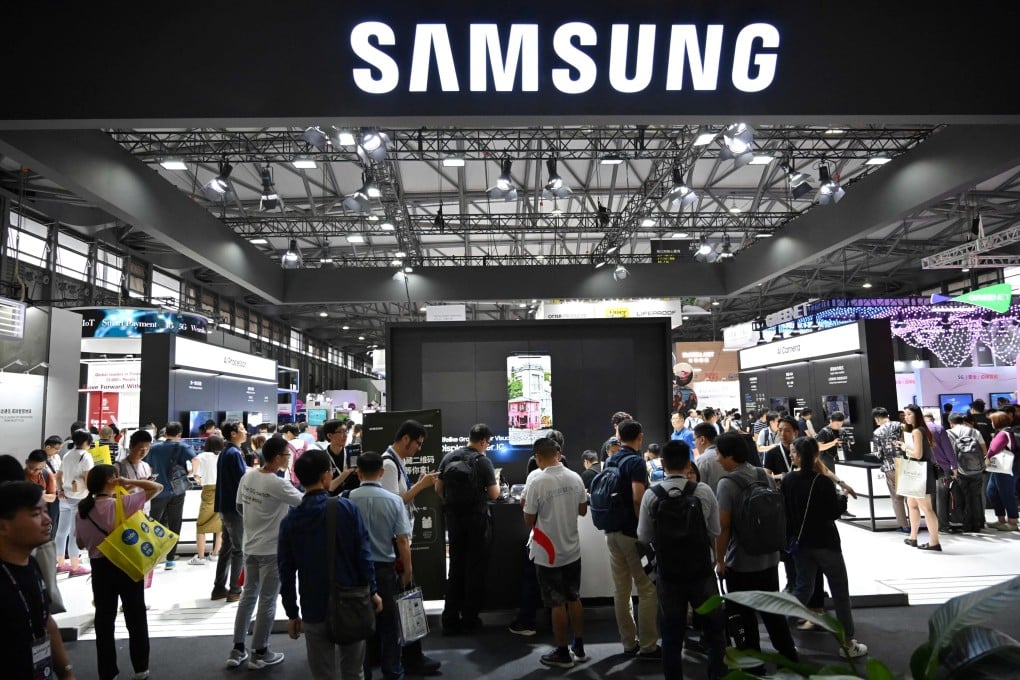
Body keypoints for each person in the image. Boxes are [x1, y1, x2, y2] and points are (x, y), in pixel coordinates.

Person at [279, 449, 381, 680]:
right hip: (351, 602)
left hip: (313, 606)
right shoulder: (346, 509)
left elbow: (285, 571)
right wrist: (372, 591)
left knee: (322, 673)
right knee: (353, 671)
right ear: (326, 476)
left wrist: (292, 612)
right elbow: (364, 556)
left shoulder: (290, 521)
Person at [637, 440, 724, 679]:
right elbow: (715, 530)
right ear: (689, 463)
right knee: (714, 631)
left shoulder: (651, 495)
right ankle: (715, 674)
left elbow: (643, 536)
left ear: (662, 463)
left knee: (672, 635)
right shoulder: (703, 491)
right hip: (702, 571)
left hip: (669, 573)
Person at [714, 431, 799, 665]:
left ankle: (754, 663)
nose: (717, 459)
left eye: (719, 454)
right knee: (773, 612)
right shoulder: (763, 474)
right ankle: (789, 656)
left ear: (730, 456)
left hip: (741, 561)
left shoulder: (727, 484)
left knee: (745, 614)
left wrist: (720, 560)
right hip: (770, 557)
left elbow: (724, 526)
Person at [782, 438, 868, 659]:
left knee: (803, 588)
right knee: (839, 592)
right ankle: (848, 643)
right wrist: (843, 499)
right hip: (826, 543)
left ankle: (780, 627)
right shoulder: (822, 482)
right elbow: (833, 513)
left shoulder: (788, 480)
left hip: (800, 544)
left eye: (794, 452)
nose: (791, 455)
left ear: (802, 456)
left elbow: (786, 513)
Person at [76, 465, 163, 680]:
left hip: (99, 569)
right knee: (136, 617)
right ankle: (141, 669)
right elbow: (157, 487)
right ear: (111, 480)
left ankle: (107, 672)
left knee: (104, 621)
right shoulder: (123, 504)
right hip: (126, 564)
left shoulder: (82, 510)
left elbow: (79, 543)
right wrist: (129, 482)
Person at [227, 436, 304, 669]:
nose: (288, 459)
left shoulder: (248, 476)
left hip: (249, 546)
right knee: (267, 600)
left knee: (248, 597)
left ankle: (237, 649)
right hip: (272, 549)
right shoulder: (278, 483)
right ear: (278, 457)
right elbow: (305, 502)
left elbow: (240, 507)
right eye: (287, 455)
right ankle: (260, 652)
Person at [379, 420, 441, 675]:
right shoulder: (388, 464)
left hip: (401, 540)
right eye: (417, 443)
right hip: (395, 543)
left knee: (405, 599)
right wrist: (421, 486)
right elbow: (393, 504)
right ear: (406, 439)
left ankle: (409, 656)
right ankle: (409, 659)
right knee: (404, 599)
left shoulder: (397, 462)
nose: (417, 448)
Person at [523, 437, 589, 669]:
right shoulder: (576, 477)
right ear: (557, 455)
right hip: (572, 549)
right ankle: (579, 647)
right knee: (574, 597)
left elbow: (529, 518)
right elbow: (582, 510)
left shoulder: (537, 482)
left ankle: (562, 653)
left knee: (556, 603)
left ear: (538, 458)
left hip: (548, 553)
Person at [0, 481, 77, 680]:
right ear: (3, 525)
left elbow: (46, 620)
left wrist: (66, 672)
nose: (47, 520)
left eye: (45, 511)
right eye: (36, 514)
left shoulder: (32, 564)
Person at [349, 451, 413, 680]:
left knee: (360, 629)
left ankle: (363, 673)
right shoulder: (394, 500)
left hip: (356, 573)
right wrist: (407, 571)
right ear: (382, 472)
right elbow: (403, 540)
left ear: (358, 473)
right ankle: (393, 673)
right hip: (385, 570)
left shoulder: (347, 500)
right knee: (390, 627)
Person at [601, 419, 659, 658]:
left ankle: (628, 643)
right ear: (640, 437)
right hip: (631, 533)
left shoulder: (610, 459)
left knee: (621, 590)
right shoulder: (635, 461)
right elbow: (638, 498)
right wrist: (643, 528)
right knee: (647, 589)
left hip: (611, 532)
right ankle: (648, 646)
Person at [435, 423, 499, 635]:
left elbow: (438, 488)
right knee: (474, 568)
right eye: (488, 443)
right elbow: (493, 494)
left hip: (454, 520)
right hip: (476, 520)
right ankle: (470, 618)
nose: (487, 447)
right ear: (482, 441)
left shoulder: (449, 457)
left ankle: (449, 618)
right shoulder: (483, 462)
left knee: (455, 567)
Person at [145, 421, 195, 570]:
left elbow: (149, 466)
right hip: (177, 491)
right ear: (179, 434)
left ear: (165, 433)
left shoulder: (154, 448)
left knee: (154, 523)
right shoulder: (182, 446)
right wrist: (192, 473)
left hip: (158, 491)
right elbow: (195, 459)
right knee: (175, 523)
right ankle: (170, 559)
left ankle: (153, 557)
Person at [213, 420, 248, 601]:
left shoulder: (227, 452)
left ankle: (219, 588)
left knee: (226, 548)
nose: (246, 432)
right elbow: (243, 481)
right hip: (235, 509)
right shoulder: (234, 453)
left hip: (225, 507)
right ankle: (235, 590)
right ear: (233, 433)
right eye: (242, 429)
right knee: (238, 549)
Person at [900, 404, 942, 551]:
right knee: (911, 504)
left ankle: (934, 542)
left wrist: (905, 448)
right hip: (916, 471)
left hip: (920, 472)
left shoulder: (918, 431)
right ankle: (913, 537)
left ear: (916, 415)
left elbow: (917, 454)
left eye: (909, 414)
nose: (906, 417)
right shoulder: (917, 430)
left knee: (926, 508)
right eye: (905, 414)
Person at [56, 429, 95, 576]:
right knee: (74, 532)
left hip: (65, 496)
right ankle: (74, 566)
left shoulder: (67, 454)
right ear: (86, 442)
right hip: (79, 497)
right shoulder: (86, 456)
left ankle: (60, 564)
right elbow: (88, 478)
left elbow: (58, 475)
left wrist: (60, 490)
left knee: (61, 531)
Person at [870, 407, 909, 533]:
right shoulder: (902, 426)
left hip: (890, 466)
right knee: (911, 496)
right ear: (888, 415)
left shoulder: (877, 432)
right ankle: (916, 523)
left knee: (897, 498)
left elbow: (878, 454)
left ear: (877, 418)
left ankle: (904, 526)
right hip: (907, 463)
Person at [947, 412, 988, 533]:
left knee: (962, 497)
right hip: (977, 470)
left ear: (951, 423)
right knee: (975, 497)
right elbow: (984, 450)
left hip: (959, 470)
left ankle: (965, 524)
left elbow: (950, 453)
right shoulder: (974, 431)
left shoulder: (949, 433)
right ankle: (977, 524)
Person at [190, 434, 223, 564]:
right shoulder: (222, 456)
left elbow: (194, 466)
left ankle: (200, 557)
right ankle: (215, 554)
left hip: (208, 490)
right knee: (220, 525)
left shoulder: (202, 456)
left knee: (201, 525)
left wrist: (198, 477)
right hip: (221, 490)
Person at [985, 411, 1019, 532]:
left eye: (992, 421)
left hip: (1006, 467)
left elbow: (993, 449)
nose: (991, 423)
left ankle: (1013, 521)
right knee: (992, 491)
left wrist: (987, 458)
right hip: (1001, 467)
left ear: (997, 421)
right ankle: (1001, 520)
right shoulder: (1008, 431)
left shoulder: (1003, 433)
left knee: (1006, 493)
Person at [694, 423, 725, 493]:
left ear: (702, 440)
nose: (694, 443)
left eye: (694, 439)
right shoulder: (726, 455)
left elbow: (699, 489)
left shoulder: (702, 460)